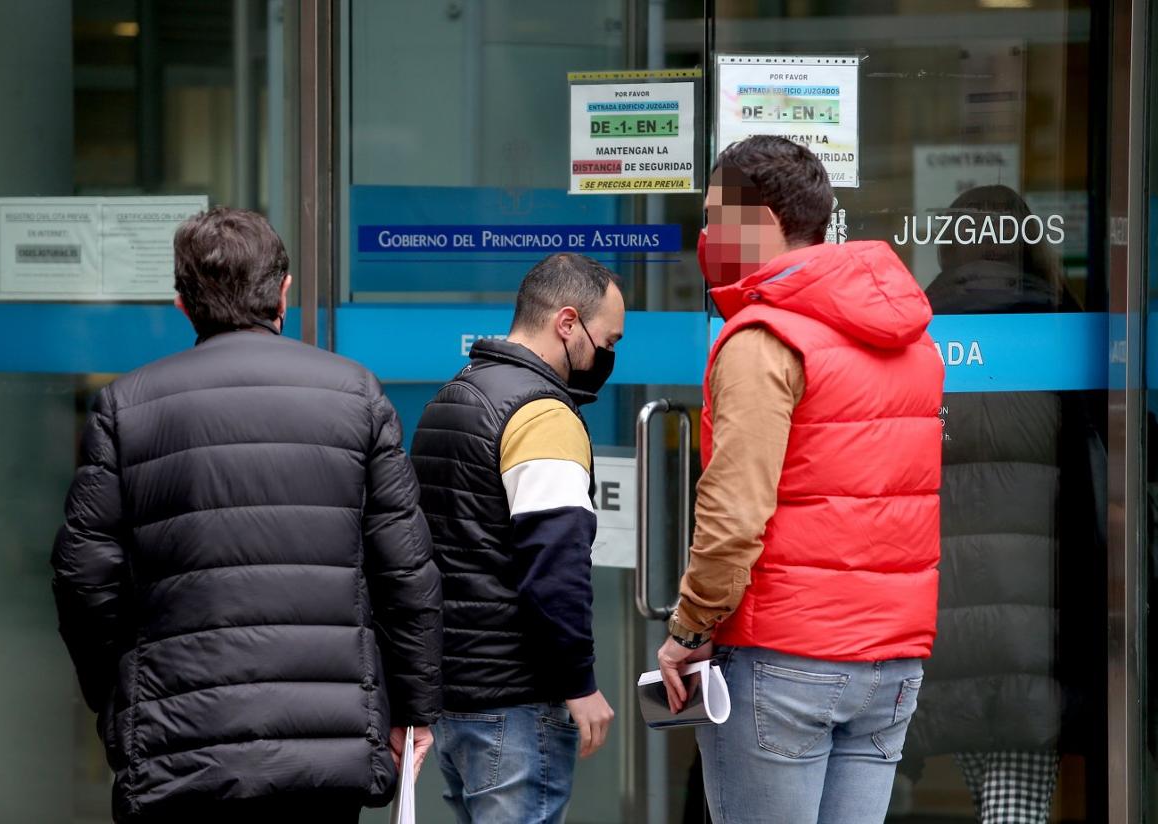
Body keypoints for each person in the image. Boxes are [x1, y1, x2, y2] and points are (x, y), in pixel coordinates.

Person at [50, 207, 442, 823]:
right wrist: (414, 709)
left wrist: (124, 696)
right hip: (325, 745)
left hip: (178, 744)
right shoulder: (355, 394)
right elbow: (407, 574)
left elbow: (83, 579)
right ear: (284, 291)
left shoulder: (125, 408)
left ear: (181, 303)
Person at [656, 136, 945, 823]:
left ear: (759, 223)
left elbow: (734, 513)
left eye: (712, 217)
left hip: (784, 659)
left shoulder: (763, 340)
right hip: (892, 662)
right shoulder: (910, 336)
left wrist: (690, 629)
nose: (703, 237)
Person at [900, 185, 1106, 822]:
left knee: (971, 766)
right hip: (1034, 627)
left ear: (945, 249)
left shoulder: (912, 337)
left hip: (938, 622)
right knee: (1011, 804)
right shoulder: (1066, 333)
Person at [410, 252, 624, 824]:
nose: (609, 357)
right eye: (607, 340)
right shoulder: (542, 414)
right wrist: (578, 683)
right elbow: (554, 562)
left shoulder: (452, 398)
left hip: (455, 695)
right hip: (518, 702)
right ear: (567, 323)